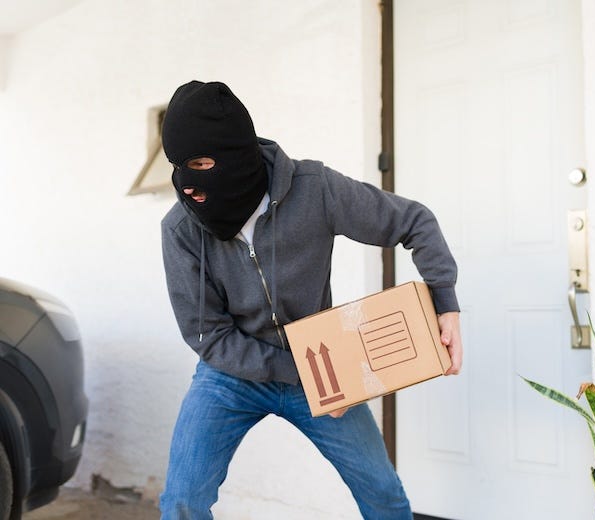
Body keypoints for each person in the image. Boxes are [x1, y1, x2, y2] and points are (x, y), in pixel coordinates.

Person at [157, 80, 462, 520]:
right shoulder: (180, 231)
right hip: (231, 373)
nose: (187, 185)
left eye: (200, 163)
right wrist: (301, 369)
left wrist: (445, 302)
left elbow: (414, 222)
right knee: (182, 501)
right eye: (177, 167)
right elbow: (207, 335)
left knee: (383, 494)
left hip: (325, 366)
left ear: (234, 156)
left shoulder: (313, 188)